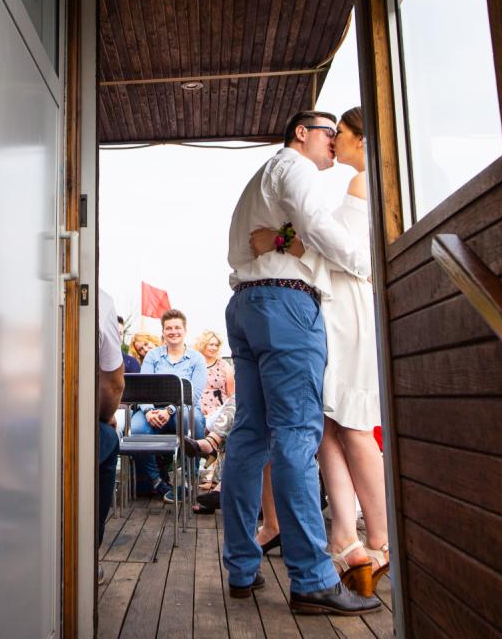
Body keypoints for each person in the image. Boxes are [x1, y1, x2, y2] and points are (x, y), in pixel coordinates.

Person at [219, 110, 379, 614]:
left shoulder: (263, 179)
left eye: (339, 133)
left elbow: (292, 236)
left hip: (246, 305)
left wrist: (286, 241)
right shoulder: (296, 168)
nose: (333, 141)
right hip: (288, 306)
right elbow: (318, 230)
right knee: (295, 435)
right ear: (302, 134)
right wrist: (368, 265)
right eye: (327, 131)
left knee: (249, 436)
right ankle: (311, 579)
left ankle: (243, 568)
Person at [128, 309, 208, 502]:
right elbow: (143, 387)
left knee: (195, 420)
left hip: (183, 408)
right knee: (137, 428)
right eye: (168, 328)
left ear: (185, 330)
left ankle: (188, 481)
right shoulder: (153, 356)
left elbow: (194, 395)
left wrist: (170, 410)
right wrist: (147, 411)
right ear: (163, 331)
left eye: (177, 328)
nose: (173, 332)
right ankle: (156, 481)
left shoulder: (197, 358)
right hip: (153, 408)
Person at [97, 291, 126, 550]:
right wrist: (105, 417)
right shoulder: (100, 300)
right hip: (64, 428)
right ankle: (86, 554)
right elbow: (113, 386)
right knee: (108, 437)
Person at [192, 329, 234, 418]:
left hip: (219, 411)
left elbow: (231, 395)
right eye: (211, 344)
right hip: (198, 410)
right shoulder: (193, 364)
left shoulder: (224, 366)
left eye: (216, 345)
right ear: (202, 345)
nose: (214, 348)